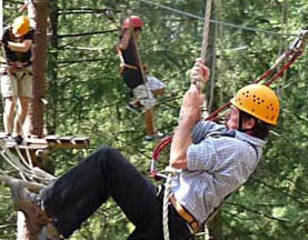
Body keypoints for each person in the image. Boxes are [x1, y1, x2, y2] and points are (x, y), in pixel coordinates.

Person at [8, 59, 280, 240]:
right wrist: (197, 87)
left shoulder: (239, 151)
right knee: (107, 170)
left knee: (107, 160)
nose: (228, 115)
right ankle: (55, 224)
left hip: (172, 223)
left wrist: (186, 116)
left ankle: (44, 208)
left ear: (250, 121)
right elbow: (198, 128)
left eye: (234, 112)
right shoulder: (234, 139)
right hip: (167, 212)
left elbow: (179, 156)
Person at [117, 15, 165, 141]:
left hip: (141, 76)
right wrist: (129, 30)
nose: (139, 34)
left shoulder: (133, 44)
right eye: (138, 31)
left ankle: (136, 103)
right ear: (135, 30)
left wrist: (142, 66)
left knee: (161, 88)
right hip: (134, 79)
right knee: (149, 105)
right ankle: (151, 134)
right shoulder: (125, 41)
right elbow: (122, 46)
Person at [0, 16, 35, 144]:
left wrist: (7, 44)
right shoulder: (4, 33)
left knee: (25, 103)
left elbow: (25, 47)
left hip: (25, 69)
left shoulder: (30, 32)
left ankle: (17, 133)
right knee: (11, 101)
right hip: (8, 70)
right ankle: (8, 133)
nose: (18, 35)